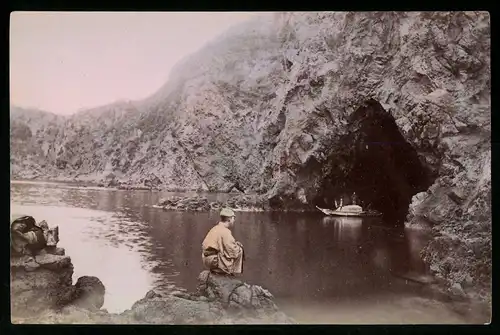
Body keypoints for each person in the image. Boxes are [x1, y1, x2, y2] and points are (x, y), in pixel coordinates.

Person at [201, 208, 244, 276]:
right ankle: (231, 271)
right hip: (214, 261)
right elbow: (232, 250)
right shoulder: (225, 231)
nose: (234, 220)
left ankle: (217, 270)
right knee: (239, 250)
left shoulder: (215, 228)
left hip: (206, 260)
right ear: (229, 219)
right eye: (233, 218)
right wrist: (238, 247)